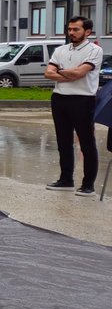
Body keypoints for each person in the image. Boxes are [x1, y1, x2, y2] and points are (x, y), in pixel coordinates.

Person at [44, 16, 103, 195]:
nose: (71, 32)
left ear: (87, 32)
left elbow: (80, 73)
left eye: (76, 29)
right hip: (60, 98)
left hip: (83, 100)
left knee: (86, 143)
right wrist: (69, 74)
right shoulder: (60, 50)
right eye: (69, 29)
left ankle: (88, 184)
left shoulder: (95, 50)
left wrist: (61, 73)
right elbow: (48, 73)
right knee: (63, 141)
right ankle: (66, 179)